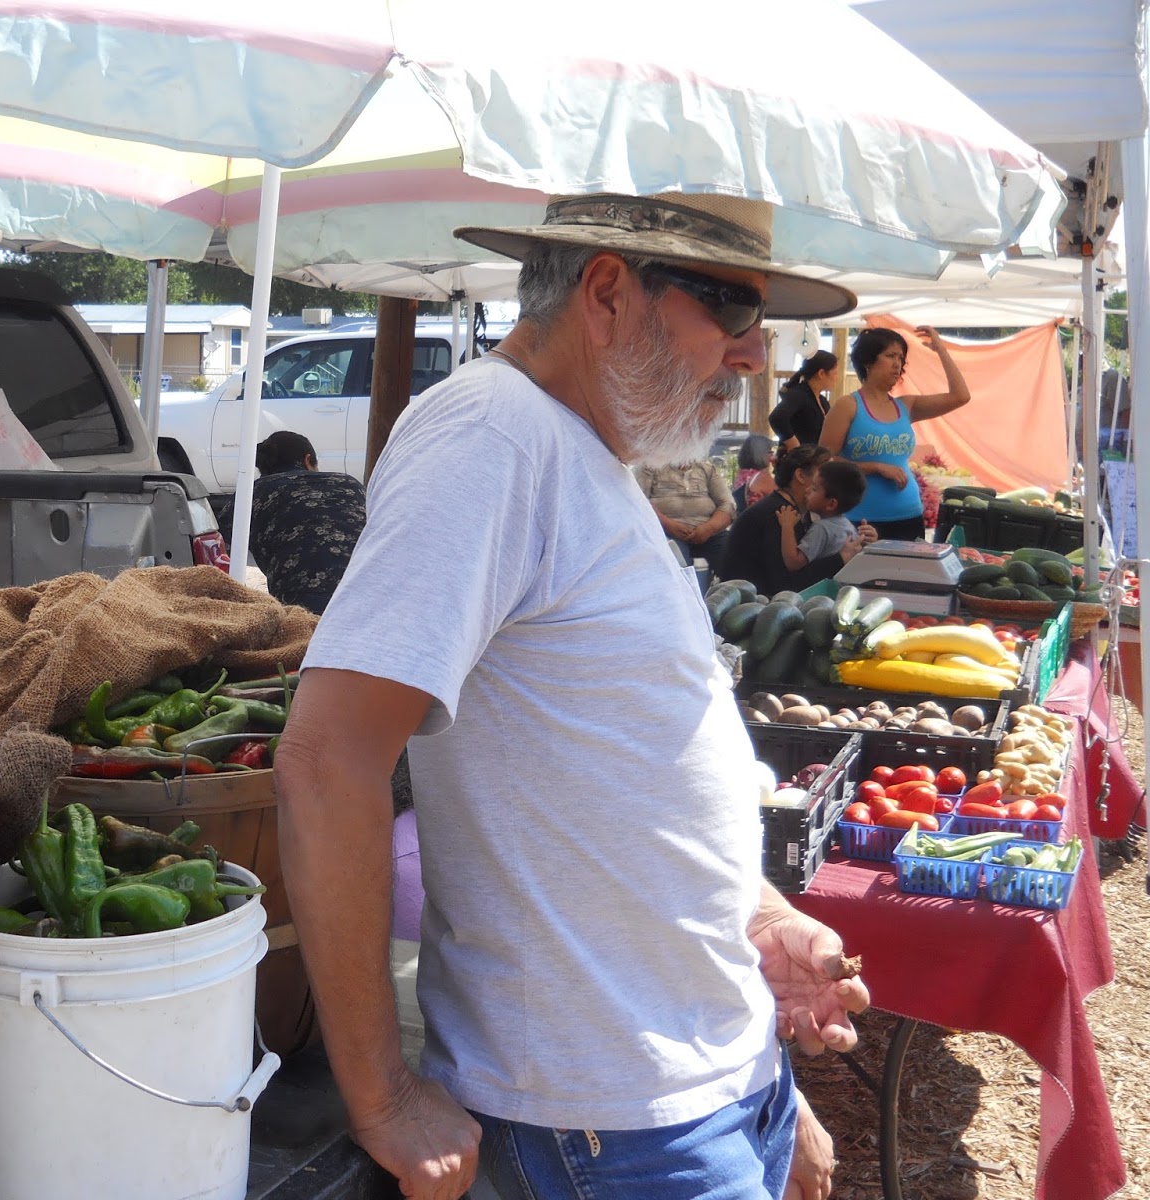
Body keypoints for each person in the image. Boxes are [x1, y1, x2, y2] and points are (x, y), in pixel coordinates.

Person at [275, 191, 868, 1200]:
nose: (752, 356)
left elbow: (613, 764)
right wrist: (378, 1095)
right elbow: (328, 761)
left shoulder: (578, 450)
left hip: (695, 1084)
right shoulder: (490, 435)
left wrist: (760, 926)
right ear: (605, 291)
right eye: (731, 310)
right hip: (610, 1121)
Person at [819, 327, 970, 541]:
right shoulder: (848, 406)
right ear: (868, 362)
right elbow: (824, 462)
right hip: (861, 520)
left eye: (901, 357)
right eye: (890, 356)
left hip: (909, 515)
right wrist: (875, 467)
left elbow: (960, 396)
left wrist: (941, 350)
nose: (897, 363)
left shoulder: (906, 406)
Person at [219, 430, 366, 615]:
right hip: (367, 589)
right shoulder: (350, 484)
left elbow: (218, 544)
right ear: (308, 460)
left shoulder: (255, 492)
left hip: (299, 604)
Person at [719, 445, 874, 602]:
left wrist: (865, 539)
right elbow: (786, 582)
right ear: (800, 476)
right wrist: (839, 559)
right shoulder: (780, 514)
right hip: (749, 603)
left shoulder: (804, 514)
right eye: (826, 469)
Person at [634, 457, 736, 575]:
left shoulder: (707, 469)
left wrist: (709, 528)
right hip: (665, 533)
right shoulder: (649, 467)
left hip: (709, 533)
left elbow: (728, 505)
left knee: (734, 557)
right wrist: (668, 525)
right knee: (677, 566)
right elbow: (639, 502)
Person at [777, 458, 867, 573]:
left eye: (814, 488)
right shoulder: (847, 525)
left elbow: (793, 563)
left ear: (831, 504)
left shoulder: (822, 528)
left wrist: (787, 526)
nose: (807, 490)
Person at [769, 351, 840, 448]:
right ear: (821, 373)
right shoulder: (799, 395)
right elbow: (776, 418)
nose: (837, 378)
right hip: (797, 461)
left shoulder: (823, 401)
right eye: (835, 373)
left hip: (814, 459)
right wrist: (796, 448)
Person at [734, 433, 776, 510]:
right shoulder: (762, 477)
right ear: (760, 454)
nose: (772, 456)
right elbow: (781, 498)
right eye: (769, 452)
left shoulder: (742, 474)